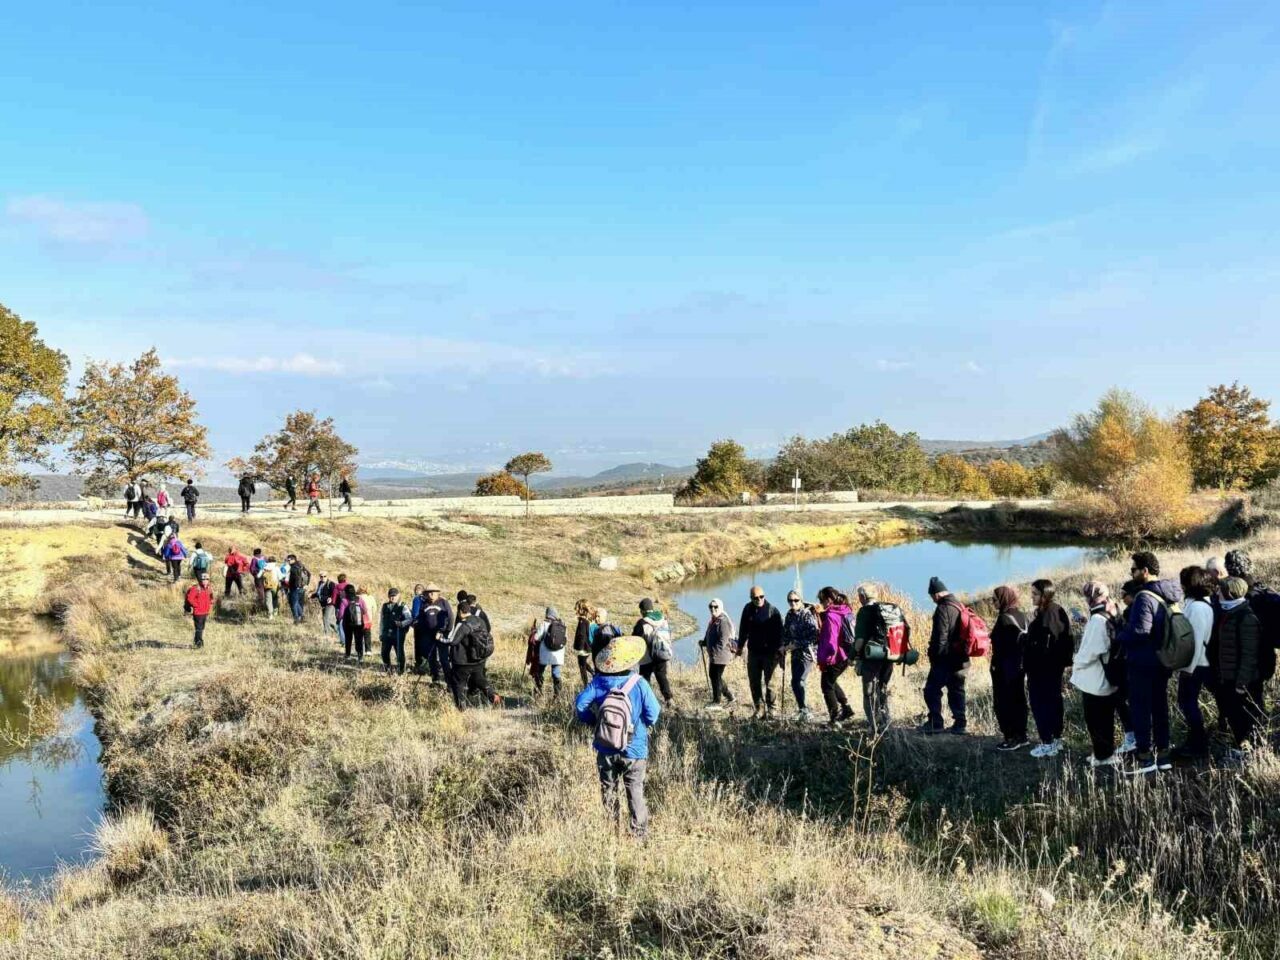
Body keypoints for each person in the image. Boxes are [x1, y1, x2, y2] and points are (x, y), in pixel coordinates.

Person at [575, 633, 660, 839]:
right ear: (630, 660)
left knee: (608, 789)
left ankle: (612, 832)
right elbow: (654, 714)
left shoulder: (599, 682)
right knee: (635, 790)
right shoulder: (639, 683)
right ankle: (639, 835)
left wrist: (594, 722)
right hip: (634, 748)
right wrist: (640, 725)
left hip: (605, 746)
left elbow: (580, 705)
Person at [1119, 551, 1180, 775]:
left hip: (1143, 662)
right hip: (1163, 660)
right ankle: (1163, 755)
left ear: (1144, 571)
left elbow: (1140, 631)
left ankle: (1145, 758)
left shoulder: (1144, 597)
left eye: (1133, 569)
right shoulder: (1168, 593)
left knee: (1141, 709)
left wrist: (1118, 634)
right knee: (1160, 707)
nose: (1131, 573)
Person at [1214, 576, 1274, 758]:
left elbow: (1249, 654)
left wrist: (1242, 683)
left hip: (1244, 680)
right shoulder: (1230, 613)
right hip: (1231, 677)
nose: (1217, 593)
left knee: (1246, 716)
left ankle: (1251, 751)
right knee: (1235, 714)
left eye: (1220, 590)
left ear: (1229, 594)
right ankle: (1242, 747)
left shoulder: (1245, 617)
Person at [1072, 582, 1122, 767]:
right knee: (1105, 718)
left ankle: (1103, 756)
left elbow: (1091, 651)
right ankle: (1104, 753)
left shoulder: (1097, 620)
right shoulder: (1112, 612)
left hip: (1096, 678)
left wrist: (1077, 662)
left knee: (1096, 719)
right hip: (1108, 675)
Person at [851, 584, 909, 733]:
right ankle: (885, 721)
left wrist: (851, 656)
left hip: (872, 657)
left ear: (862, 597)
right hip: (889, 655)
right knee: (882, 688)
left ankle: (874, 726)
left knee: (869, 692)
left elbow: (859, 641)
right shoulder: (889, 609)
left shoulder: (864, 611)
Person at [1025, 578, 1072, 758]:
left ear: (1045, 595)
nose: (1032, 597)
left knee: (1041, 704)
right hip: (1051, 668)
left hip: (1042, 669)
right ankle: (1055, 739)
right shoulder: (1053, 611)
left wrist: (1027, 643)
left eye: (1035, 594)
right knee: (1053, 702)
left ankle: (1047, 742)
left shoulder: (1049, 614)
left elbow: (1047, 643)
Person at [1171, 566, 1214, 760]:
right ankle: (1196, 741)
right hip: (1197, 663)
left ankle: (1198, 744)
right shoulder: (1200, 603)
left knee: (1187, 703)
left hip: (1196, 665)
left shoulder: (1197, 607)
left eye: (1183, 582)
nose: (1180, 586)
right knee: (1188, 703)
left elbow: (1195, 640)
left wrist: (1188, 669)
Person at [921, 577, 968, 735]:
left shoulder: (943, 608)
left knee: (931, 690)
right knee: (957, 690)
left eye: (932, 597)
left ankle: (935, 722)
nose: (932, 600)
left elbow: (941, 637)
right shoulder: (959, 605)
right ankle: (960, 724)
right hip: (961, 658)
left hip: (945, 659)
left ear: (936, 594)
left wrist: (935, 658)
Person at [989, 585, 1030, 751]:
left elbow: (1001, 646)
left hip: (1004, 668)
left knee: (1003, 702)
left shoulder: (1004, 619)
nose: (992, 602)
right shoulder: (1022, 616)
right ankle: (1022, 735)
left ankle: (1011, 738)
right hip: (1019, 666)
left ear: (1003, 599)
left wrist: (994, 665)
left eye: (994, 599)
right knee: (1019, 699)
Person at [739, 586, 784, 718]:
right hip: (753, 652)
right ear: (751, 598)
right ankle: (759, 708)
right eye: (755, 598)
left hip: (770, 653)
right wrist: (740, 646)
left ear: (764, 596)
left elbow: (780, 634)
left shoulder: (772, 611)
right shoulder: (747, 609)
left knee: (770, 683)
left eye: (761, 597)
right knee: (754, 681)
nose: (759, 599)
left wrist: (781, 652)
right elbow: (743, 629)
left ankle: (772, 709)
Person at [813, 586, 855, 726]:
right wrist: (821, 615)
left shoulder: (831, 616)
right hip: (845, 655)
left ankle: (834, 718)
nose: (821, 603)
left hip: (834, 656)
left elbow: (831, 640)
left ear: (829, 600)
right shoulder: (844, 610)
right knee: (831, 681)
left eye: (822, 600)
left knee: (826, 686)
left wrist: (825, 658)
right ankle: (846, 708)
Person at [448, 601, 500, 709]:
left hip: (462, 661)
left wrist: (439, 638)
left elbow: (453, 641)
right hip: (479, 659)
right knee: (479, 679)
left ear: (460, 611)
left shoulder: (462, 624)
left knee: (458, 683)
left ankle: (461, 708)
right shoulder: (480, 621)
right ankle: (493, 696)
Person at [782, 590, 819, 721]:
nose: (793, 603)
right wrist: (783, 646)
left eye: (796, 600)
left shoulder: (807, 614)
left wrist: (795, 644)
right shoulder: (789, 615)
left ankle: (806, 711)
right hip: (795, 653)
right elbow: (786, 633)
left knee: (799, 680)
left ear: (801, 600)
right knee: (794, 682)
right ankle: (802, 708)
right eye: (790, 600)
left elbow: (814, 636)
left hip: (807, 653)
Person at [634, 598, 674, 707]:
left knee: (645, 679)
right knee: (661, 676)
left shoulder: (642, 623)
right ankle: (669, 698)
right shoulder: (663, 619)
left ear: (642, 610)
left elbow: (635, 639)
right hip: (661, 652)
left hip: (647, 656)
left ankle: (646, 702)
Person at [700, 598, 738, 710]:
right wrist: (704, 642)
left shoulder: (723, 621)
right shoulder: (714, 620)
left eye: (715, 606)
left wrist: (714, 652)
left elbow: (723, 640)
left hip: (721, 655)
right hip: (715, 655)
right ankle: (730, 696)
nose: (713, 609)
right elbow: (709, 635)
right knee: (715, 676)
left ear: (720, 607)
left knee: (715, 677)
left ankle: (717, 702)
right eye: (711, 606)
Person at [412, 584, 454, 682]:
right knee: (431, 658)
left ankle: (448, 681)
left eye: (433, 592)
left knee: (444, 659)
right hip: (429, 636)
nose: (431, 594)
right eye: (429, 592)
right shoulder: (425, 604)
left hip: (441, 635)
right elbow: (421, 619)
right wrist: (422, 631)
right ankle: (435, 679)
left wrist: (445, 631)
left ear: (437, 593)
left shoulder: (443, 602)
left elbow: (450, 618)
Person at [532, 606, 568, 698]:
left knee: (540, 672)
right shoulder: (562, 624)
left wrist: (534, 632)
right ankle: (557, 696)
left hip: (545, 653)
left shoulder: (544, 624)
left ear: (547, 614)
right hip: (558, 655)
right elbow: (565, 639)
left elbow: (536, 638)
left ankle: (538, 693)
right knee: (556, 674)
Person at [378, 588, 413, 675]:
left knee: (399, 653)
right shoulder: (384, 606)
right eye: (391, 596)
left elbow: (410, 619)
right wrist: (380, 633)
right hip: (386, 633)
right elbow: (381, 621)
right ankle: (387, 669)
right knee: (384, 652)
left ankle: (401, 671)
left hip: (398, 633)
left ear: (398, 595)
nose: (392, 598)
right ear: (388, 596)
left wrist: (401, 623)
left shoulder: (403, 606)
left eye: (394, 596)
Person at [184, 572, 214, 649]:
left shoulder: (209, 588)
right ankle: (199, 644)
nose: (205, 581)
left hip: (205, 612)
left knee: (201, 628)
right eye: (203, 579)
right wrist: (196, 605)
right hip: (198, 612)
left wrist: (211, 602)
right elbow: (190, 598)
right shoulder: (196, 588)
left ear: (208, 580)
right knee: (199, 628)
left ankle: (196, 642)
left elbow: (211, 597)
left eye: (207, 579)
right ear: (200, 580)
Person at [339, 583, 369, 660]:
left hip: (347, 623)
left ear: (346, 592)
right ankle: (360, 656)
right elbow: (365, 610)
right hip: (359, 622)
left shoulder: (344, 601)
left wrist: (340, 618)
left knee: (348, 639)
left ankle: (348, 655)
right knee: (359, 639)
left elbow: (341, 614)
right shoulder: (360, 599)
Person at [573, 600, 596, 689]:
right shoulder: (587, 620)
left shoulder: (582, 621)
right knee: (582, 662)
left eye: (577, 609)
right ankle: (592, 673)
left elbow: (582, 635)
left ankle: (585, 685)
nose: (576, 610)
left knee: (582, 666)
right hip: (588, 646)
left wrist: (579, 647)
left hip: (584, 647)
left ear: (581, 610)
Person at [314, 572, 339, 641]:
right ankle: (339, 632)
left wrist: (330, 598)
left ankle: (327, 635)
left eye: (324, 576)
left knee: (325, 618)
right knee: (331, 620)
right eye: (321, 576)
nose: (323, 578)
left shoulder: (331, 584)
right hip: (323, 604)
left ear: (327, 576)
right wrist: (312, 595)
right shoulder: (320, 583)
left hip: (330, 604)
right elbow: (318, 593)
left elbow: (334, 593)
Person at [286, 553, 308, 623]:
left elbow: (295, 578)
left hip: (295, 588)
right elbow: (309, 574)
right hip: (301, 588)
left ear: (293, 560)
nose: (288, 561)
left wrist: (296, 585)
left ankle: (297, 619)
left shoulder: (293, 567)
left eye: (289, 560)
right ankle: (301, 617)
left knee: (294, 603)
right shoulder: (301, 566)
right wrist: (306, 584)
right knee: (297, 603)